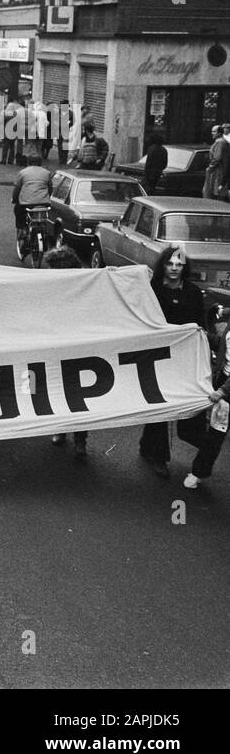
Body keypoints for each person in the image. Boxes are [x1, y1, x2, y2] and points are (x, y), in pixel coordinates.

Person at [139, 246, 205, 478]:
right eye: (170, 264)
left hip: (183, 357)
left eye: (179, 264)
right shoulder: (152, 290)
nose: (175, 268)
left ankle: (148, 446)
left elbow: (200, 325)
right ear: (163, 265)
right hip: (156, 356)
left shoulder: (194, 293)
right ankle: (158, 455)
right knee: (160, 402)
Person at [41, 246, 92, 459]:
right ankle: (60, 429)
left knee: (77, 395)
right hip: (53, 348)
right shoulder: (45, 289)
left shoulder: (83, 290)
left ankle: (80, 439)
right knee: (57, 391)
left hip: (75, 349)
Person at [186, 304, 230, 489]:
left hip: (226, 389)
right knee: (216, 431)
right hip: (224, 379)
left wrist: (223, 390)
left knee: (216, 432)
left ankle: (198, 473)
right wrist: (201, 334)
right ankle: (198, 472)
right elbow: (223, 344)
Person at [12, 155, 53, 243]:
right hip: (44, 202)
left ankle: (22, 229)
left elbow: (17, 189)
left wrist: (15, 199)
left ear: (29, 162)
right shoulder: (47, 173)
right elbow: (50, 188)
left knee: (18, 210)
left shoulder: (23, 173)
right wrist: (47, 197)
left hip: (26, 203)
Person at [204, 125, 227, 200]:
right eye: (212, 131)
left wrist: (210, 168)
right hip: (217, 170)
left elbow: (217, 157)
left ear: (219, 133)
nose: (212, 133)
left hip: (217, 171)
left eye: (214, 131)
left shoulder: (220, 142)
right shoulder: (221, 142)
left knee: (213, 192)